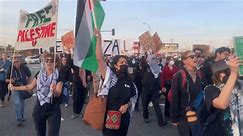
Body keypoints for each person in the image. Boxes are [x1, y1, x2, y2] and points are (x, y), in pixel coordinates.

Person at [95, 29, 138, 136]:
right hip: (109, 120)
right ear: (115, 65)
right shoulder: (110, 77)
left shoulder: (130, 81)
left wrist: (127, 105)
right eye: (121, 62)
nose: (125, 64)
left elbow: (134, 97)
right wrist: (99, 39)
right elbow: (100, 59)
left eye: (126, 63)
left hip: (124, 120)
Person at [8, 53, 63, 136]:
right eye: (46, 60)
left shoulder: (59, 75)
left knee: (53, 134)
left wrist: (54, 90)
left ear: (56, 63)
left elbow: (58, 93)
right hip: (39, 108)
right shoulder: (39, 74)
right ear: (44, 62)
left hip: (53, 109)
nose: (49, 62)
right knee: (40, 133)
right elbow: (30, 87)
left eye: (51, 61)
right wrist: (14, 88)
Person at [171, 50, 207, 136]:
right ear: (184, 60)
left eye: (196, 56)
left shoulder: (200, 74)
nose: (195, 58)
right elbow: (175, 98)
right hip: (184, 117)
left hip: (199, 115)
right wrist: (174, 118)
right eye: (191, 57)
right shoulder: (179, 76)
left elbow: (206, 91)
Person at [203, 56, 241, 136]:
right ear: (219, 74)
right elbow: (222, 104)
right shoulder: (211, 89)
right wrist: (233, 74)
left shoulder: (240, 85)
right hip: (223, 131)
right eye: (228, 70)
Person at [139, 57, 167, 127]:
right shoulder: (146, 66)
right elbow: (141, 65)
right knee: (145, 104)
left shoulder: (157, 68)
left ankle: (161, 122)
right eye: (153, 59)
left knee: (156, 105)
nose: (155, 61)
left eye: (155, 59)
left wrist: (161, 88)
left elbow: (159, 79)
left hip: (154, 90)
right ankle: (146, 117)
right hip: (146, 90)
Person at [5, 56, 31, 126]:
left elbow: (29, 76)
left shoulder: (24, 67)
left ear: (20, 61)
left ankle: (21, 116)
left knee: (22, 103)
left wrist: (28, 85)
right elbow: (6, 79)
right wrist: (11, 80)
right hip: (14, 87)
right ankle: (18, 119)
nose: (16, 63)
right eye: (14, 62)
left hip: (23, 86)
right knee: (17, 103)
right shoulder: (10, 68)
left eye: (17, 62)